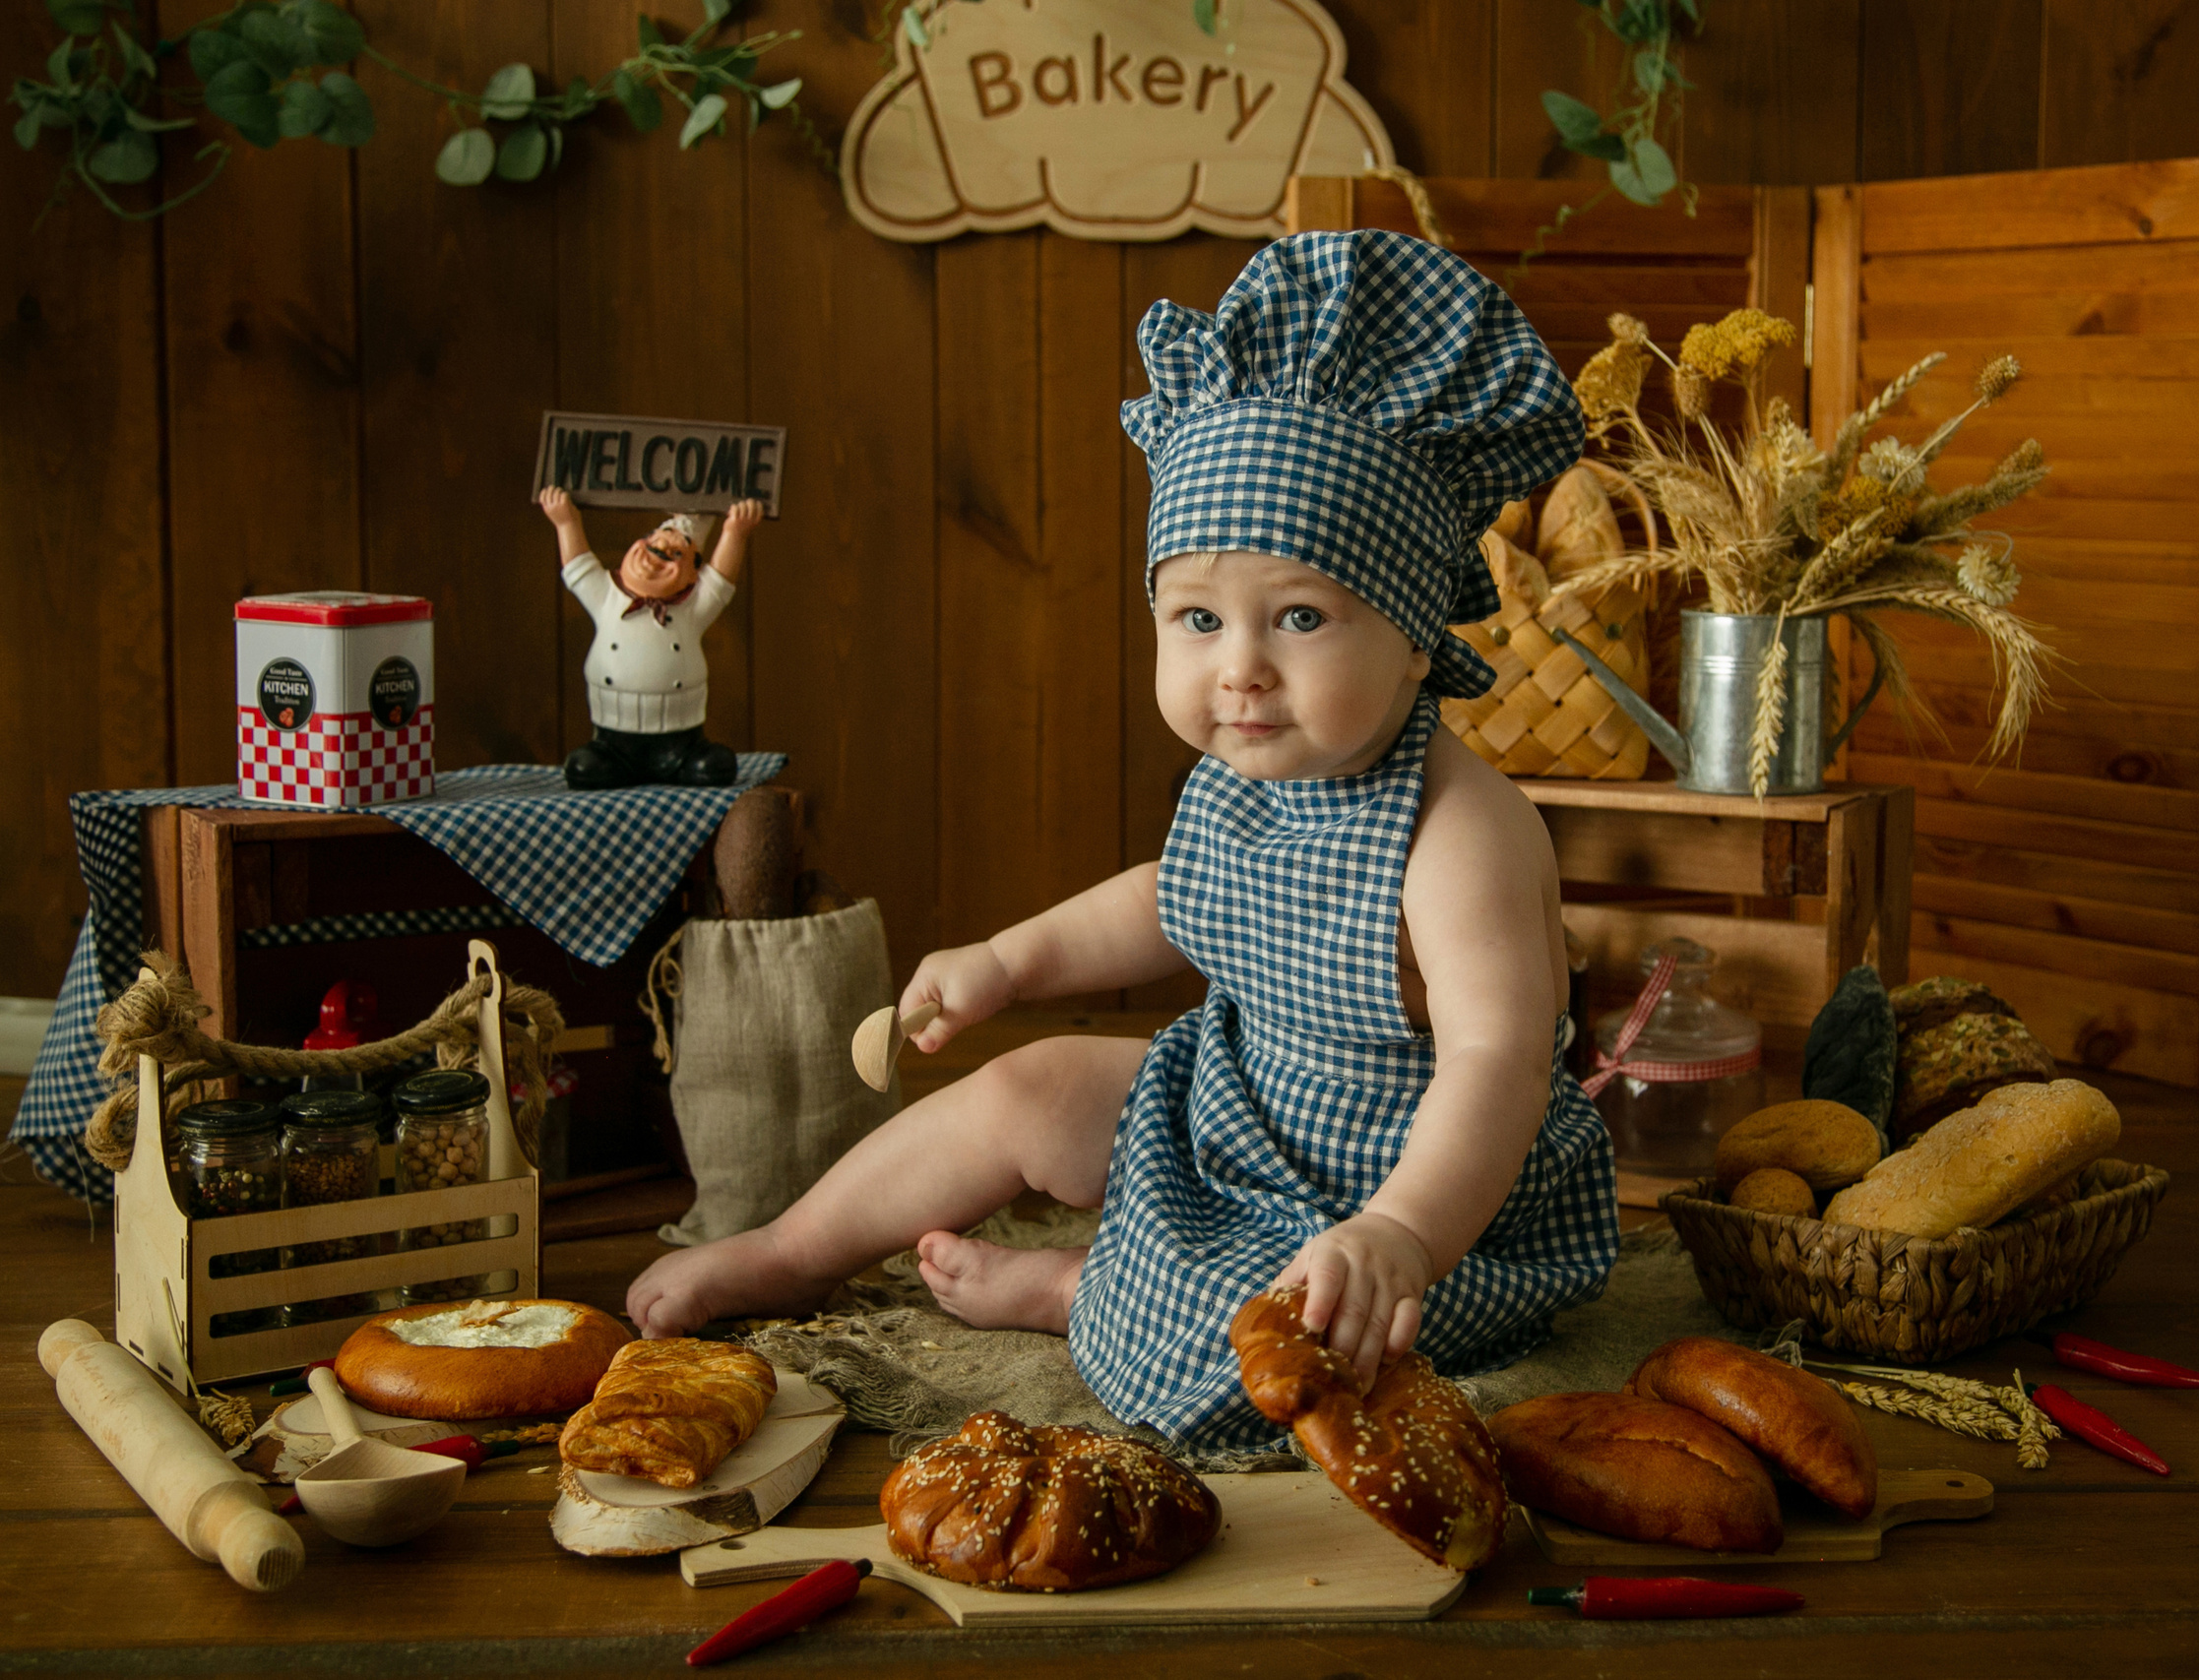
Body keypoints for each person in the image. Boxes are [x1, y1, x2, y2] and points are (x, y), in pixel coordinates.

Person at [625, 232, 1622, 1449]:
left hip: (1415, 1186)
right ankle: (788, 1249)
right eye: (1197, 619)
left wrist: (1402, 1231)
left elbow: (1497, 1064)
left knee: (1282, 1345)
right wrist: (1008, 962)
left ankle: (1075, 1293)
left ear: (1415, 633)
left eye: (1300, 618)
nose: (1240, 668)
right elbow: (1171, 896)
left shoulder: (1460, 831)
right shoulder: (1244, 770)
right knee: (1029, 1086)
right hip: (1242, 1100)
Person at [537, 488, 763, 789]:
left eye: (676, 554)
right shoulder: (607, 596)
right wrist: (567, 523)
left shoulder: (692, 609)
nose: (658, 555)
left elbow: (720, 580)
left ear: (692, 574)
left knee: (713, 768)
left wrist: (735, 534)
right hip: (613, 736)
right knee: (585, 769)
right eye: (653, 545)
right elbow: (579, 566)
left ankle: (684, 762)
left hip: (680, 738)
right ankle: (609, 760)